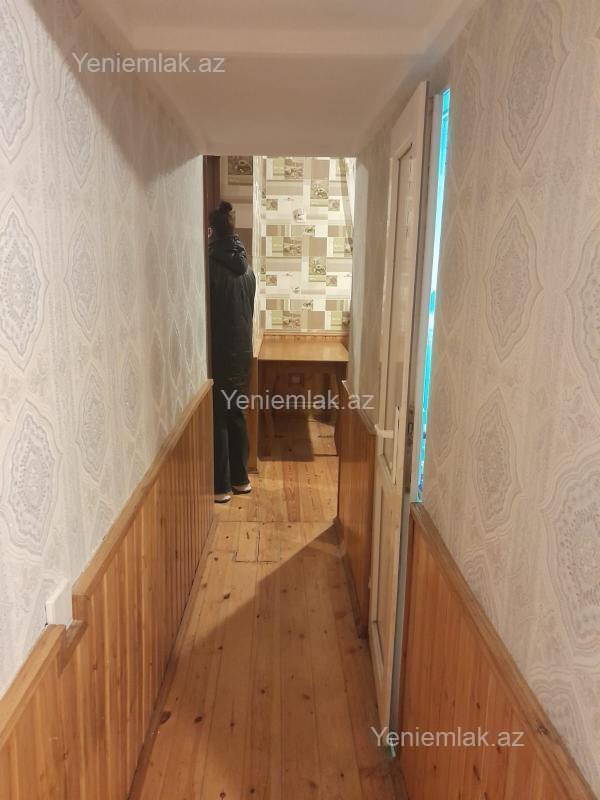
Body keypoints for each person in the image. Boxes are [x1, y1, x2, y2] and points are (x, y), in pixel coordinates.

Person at [208, 201, 256, 503]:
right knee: (237, 413)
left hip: (219, 354)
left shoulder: (210, 267)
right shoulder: (247, 269)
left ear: (212, 231)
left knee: (219, 418)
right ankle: (241, 480)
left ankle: (221, 486)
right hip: (243, 352)